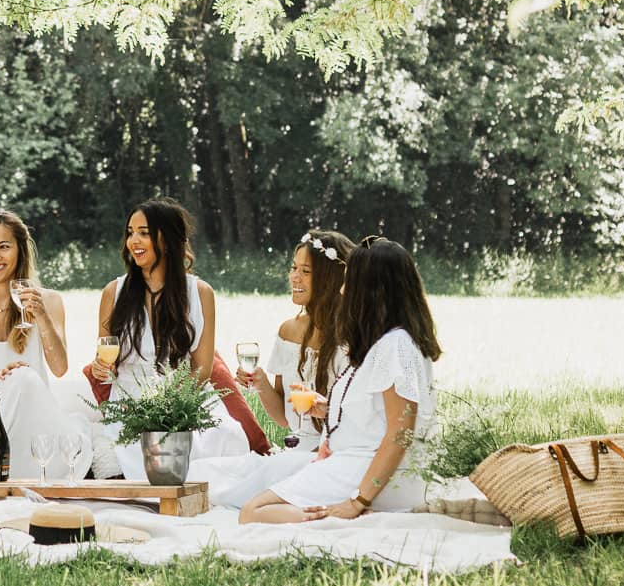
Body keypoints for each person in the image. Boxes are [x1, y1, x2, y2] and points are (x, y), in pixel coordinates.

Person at [240, 236, 442, 524]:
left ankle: (345, 518)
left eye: (350, 283)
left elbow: (401, 432)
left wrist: (357, 500)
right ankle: (338, 514)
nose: (344, 290)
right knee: (257, 503)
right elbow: (378, 414)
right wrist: (328, 410)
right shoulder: (384, 341)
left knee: (253, 512)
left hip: (366, 469)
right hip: (353, 462)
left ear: (372, 292)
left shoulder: (395, 346)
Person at [87, 198, 250, 478]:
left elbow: (202, 367)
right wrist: (101, 368)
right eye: (130, 232)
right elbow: (105, 359)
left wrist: (171, 405)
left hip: (184, 398)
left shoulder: (200, 293)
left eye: (144, 232)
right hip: (130, 402)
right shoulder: (113, 292)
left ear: (168, 239)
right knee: (124, 449)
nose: (133, 240)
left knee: (224, 437)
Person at [195, 228, 355, 508]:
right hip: (294, 452)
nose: (294, 277)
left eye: (306, 271)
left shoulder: (352, 339)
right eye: (294, 268)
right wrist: (260, 383)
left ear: (330, 279)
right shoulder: (288, 331)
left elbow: (359, 421)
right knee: (203, 473)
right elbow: (282, 418)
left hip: (333, 457)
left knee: (234, 491)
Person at [0, 209, 92, 480]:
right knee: (20, 378)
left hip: (32, 417)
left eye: (4, 247)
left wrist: (42, 317)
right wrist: (0, 378)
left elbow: (59, 368)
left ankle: (27, 478)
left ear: (20, 250)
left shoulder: (49, 301)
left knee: (25, 380)